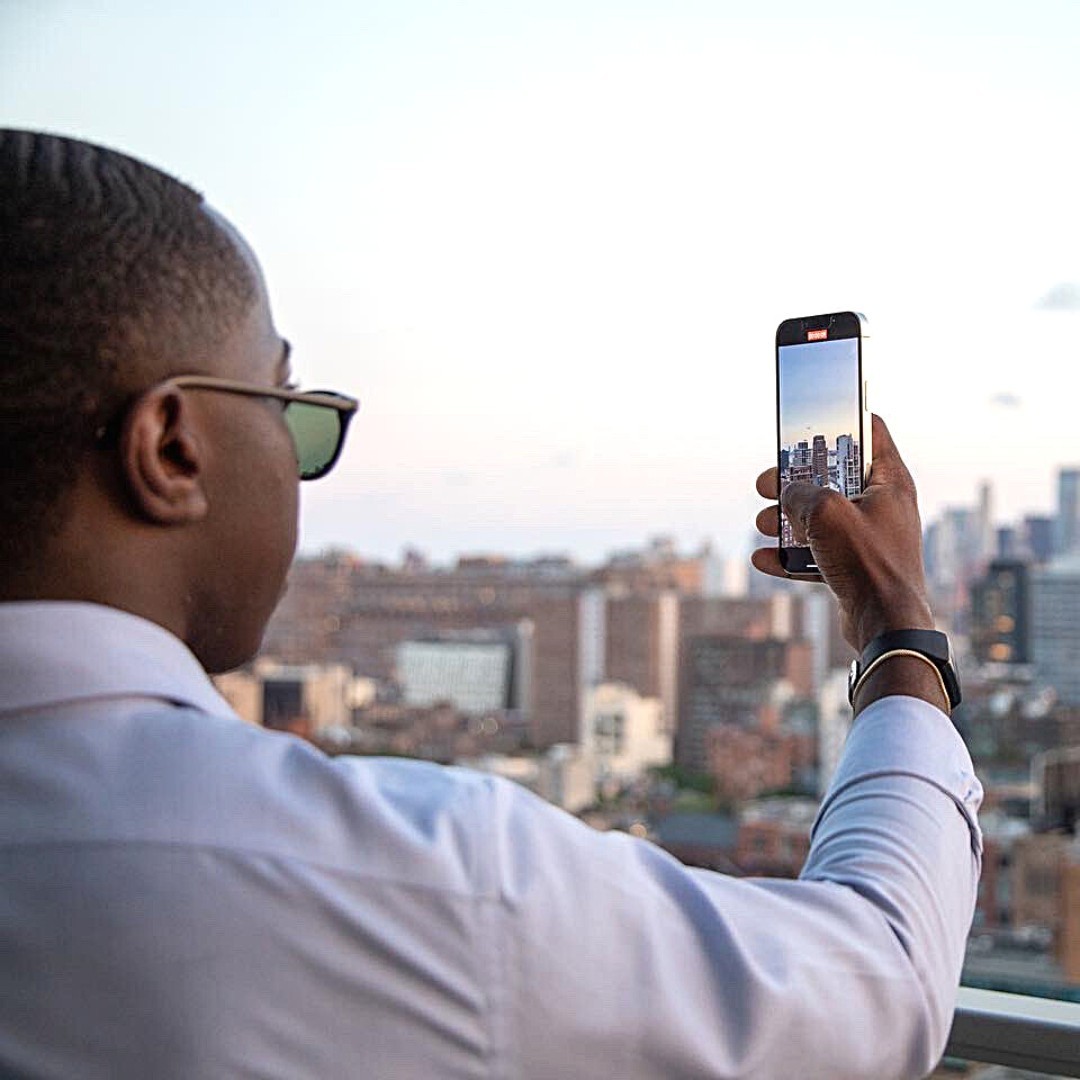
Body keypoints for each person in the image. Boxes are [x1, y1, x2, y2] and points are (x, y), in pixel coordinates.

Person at [0, 130, 981, 1079]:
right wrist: (895, 623)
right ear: (171, 450)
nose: (301, 466)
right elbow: (879, 982)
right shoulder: (404, 876)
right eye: (287, 405)